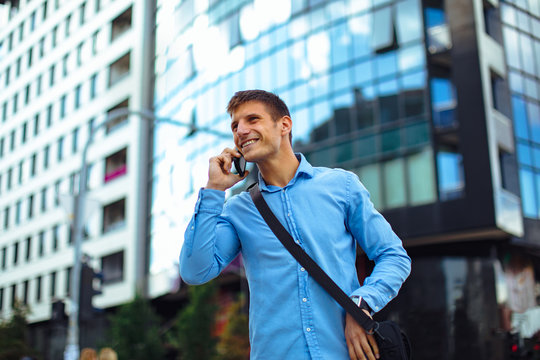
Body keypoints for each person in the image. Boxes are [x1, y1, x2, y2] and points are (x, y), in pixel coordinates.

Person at [180, 90, 411, 360]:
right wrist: (213, 191)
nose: (241, 130)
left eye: (252, 119)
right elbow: (195, 271)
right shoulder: (237, 210)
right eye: (235, 125)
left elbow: (393, 255)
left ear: (284, 125)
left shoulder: (341, 186)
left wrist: (361, 304)